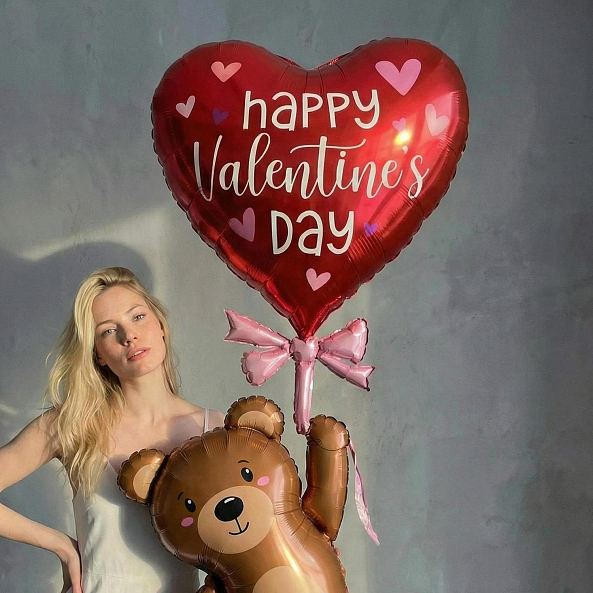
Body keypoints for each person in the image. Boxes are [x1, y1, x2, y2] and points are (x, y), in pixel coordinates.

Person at [0, 267, 225, 593]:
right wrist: (61, 545)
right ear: (98, 355)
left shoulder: (214, 430)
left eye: (138, 317)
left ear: (161, 325)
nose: (128, 336)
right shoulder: (72, 424)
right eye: (108, 330)